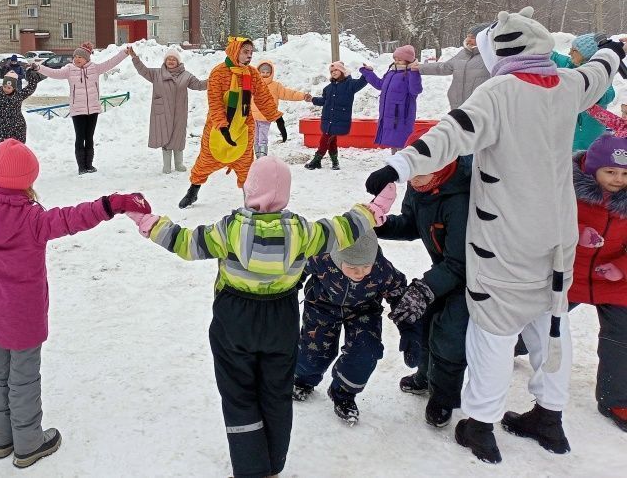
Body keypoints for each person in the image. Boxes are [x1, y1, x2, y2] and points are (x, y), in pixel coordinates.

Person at [365, 6, 624, 464]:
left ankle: (480, 425)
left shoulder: (499, 91)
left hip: (504, 242)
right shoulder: (567, 85)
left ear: (502, 51)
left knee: (493, 335)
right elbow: (599, 74)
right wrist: (608, 51)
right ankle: (550, 419)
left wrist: (399, 165)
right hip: (557, 241)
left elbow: (451, 133)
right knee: (551, 330)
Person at [126, 155, 397, 478]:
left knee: (239, 393)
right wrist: (375, 209)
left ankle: (252, 470)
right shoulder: (302, 232)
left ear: (248, 190)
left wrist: (148, 221)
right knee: (276, 392)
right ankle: (273, 464)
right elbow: (344, 228)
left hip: (235, 320)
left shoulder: (229, 230)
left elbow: (185, 243)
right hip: (280, 319)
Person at [0, 136, 150, 468]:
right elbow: (76, 217)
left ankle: (1, 440)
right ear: (28, 182)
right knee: (23, 379)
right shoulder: (34, 220)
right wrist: (114, 202)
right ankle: (28, 444)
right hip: (23, 319)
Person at [375, 156, 472, 429]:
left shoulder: (459, 198)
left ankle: (443, 397)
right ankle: (425, 377)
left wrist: (426, 288)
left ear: (440, 165)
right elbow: (411, 223)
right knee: (427, 322)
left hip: (471, 274)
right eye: (409, 174)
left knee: (450, 334)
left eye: (418, 173)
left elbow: (460, 262)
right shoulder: (419, 185)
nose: (412, 180)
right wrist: (379, 224)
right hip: (445, 267)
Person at [292, 229, 408, 425]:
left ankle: (343, 393)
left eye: (365, 267)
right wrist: (288, 290)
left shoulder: (381, 268)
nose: (360, 273)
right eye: (353, 267)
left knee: (366, 351)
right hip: (322, 306)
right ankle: (303, 380)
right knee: (315, 350)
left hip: (363, 311)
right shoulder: (322, 257)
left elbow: (398, 289)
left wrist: (408, 326)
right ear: (338, 259)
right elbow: (296, 269)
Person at [179, 37, 280, 209]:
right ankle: (193, 191)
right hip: (218, 128)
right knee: (205, 161)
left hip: (243, 128)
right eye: (245, 52)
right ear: (235, 52)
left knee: (245, 166)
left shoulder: (252, 73)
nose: (249, 56)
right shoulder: (218, 72)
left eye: (251, 52)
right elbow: (215, 102)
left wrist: (276, 116)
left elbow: (263, 96)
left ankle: (250, 200)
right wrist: (222, 125)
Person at [568, 134, 627, 432]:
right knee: (538, 319)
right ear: (592, 169)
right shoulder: (568, 189)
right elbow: (548, 220)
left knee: (621, 336)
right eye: (611, 171)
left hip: (613, 280)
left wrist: (620, 266)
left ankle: (615, 398)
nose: (618, 179)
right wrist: (574, 232)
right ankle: (511, 349)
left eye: (625, 173)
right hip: (570, 273)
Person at [36, 42, 129, 174]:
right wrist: (39, 68)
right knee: (80, 137)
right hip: (77, 109)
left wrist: (124, 53)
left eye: (80, 57)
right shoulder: (69, 70)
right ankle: (81, 167)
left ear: (87, 58)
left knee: (89, 137)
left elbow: (111, 62)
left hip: (93, 109)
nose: (77, 59)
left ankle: (89, 165)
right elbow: (54, 73)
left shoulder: (95, 68)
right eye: (75, 57)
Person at [128, 45, 207, 173]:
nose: (170, 61)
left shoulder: (186, 76)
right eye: (168, 59)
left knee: (178, 136)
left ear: (178, 62)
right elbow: (143, 70)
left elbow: (198, 85)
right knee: (164, 135)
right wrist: (134, 57)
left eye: (173, 59)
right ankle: (167, 165)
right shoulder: (156, 74)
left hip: (179, 112)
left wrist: (214, 80)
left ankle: (179, 163)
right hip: (162, 112)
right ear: (165, 61)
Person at [552, 33, 617, 151]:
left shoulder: (599, 74)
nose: (569, 53)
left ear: (586, 53)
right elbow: (552, 56)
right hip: (567, 139)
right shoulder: (569, 64)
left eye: (574, 50)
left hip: (591, 140)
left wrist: (588, 91)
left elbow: (609, 94)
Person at [305, 61, 369, 170]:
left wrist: (367, 71)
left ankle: (317, 160)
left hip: (340, 119)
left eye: (336, 70)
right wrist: (312, 99)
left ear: (342, 71)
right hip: (328, 118)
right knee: (331, 140)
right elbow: (324, 101)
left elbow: (362, 82)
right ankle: (335, 162)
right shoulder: (328, 88)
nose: (333, 72)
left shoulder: (350, 84)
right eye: (331, 71)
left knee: (325, 139)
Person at [360, 45, 423, 152]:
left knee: (402, 142)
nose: (396, 62)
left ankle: (402, 165)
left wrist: (414, 72)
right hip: (388, 114)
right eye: (395, 59)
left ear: (408, 61)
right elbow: (380, 85)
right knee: (393, 141)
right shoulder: (391, 73)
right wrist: (368, 73)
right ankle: (395, 165)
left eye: (400, 60)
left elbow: (415, 90)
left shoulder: (410, 74)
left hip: (402, 116)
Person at [418, 24, 491, 110]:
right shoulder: (463, 54)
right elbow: (444, 67)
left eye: (472, 37)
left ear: (483, 38)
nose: (468, 40)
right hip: (457, 107)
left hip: (480, 108)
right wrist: (419, 68)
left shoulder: (490, 56)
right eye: (467, 36)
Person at [253, 60, 310, 157]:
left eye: (268, 72)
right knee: (255, 137)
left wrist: (303, 96)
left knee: (262, 137)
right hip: (252, 116)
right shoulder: (253, 84)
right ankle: (258, 155)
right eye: (263, 72)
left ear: (271, 73)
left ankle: (261, 157)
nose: (265, 74)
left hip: (265, 117)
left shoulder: (276, 86)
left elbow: (289, 94)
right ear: (258, 72)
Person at [0, 68, 42, 145]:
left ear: (14, 88)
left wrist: (32, 75)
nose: (6, 89)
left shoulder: (19, 96)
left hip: (17, 126)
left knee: (16, 147)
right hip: (0, 126)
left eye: (9, 88)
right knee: (2, 147)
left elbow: (30, 88)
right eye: (4, 86)